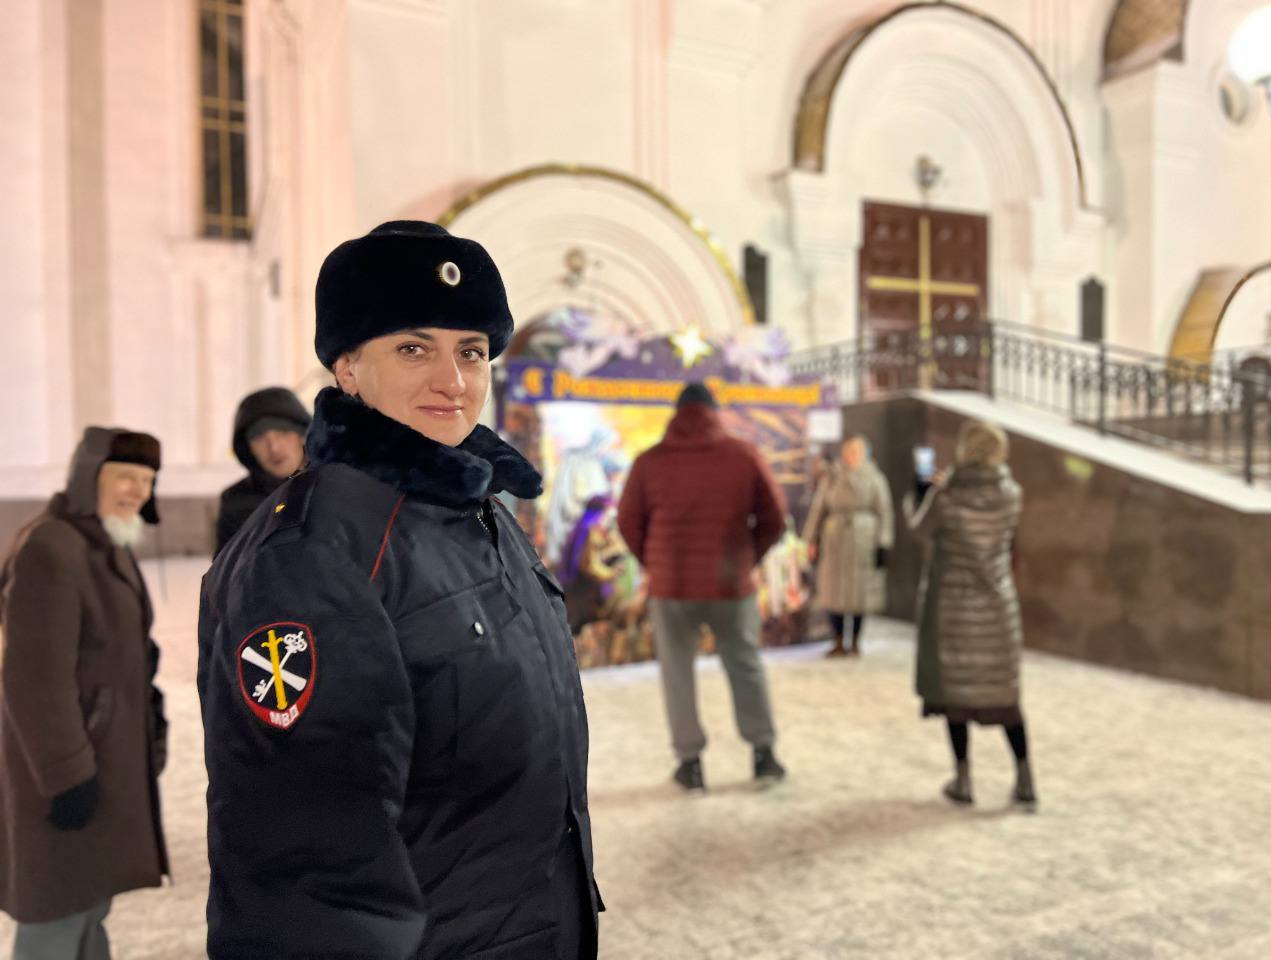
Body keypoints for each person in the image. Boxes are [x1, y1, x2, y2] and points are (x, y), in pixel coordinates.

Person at [198, 220, 602, 959]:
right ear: (348, 368)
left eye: (470, 351)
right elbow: (304, 860)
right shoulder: (314, 553)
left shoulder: (477, 508)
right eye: (414, 349)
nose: (453, 380)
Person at [0, 428, 169, 960]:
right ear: (87, 477)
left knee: (90, 903)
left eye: (147, 479)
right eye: (125, 476)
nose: (138, 490)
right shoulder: (52, 548)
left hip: (102, 756)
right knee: (56, 909)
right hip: (64, 769)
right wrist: (65, 774)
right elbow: (34, 677)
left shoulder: (104, 543)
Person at [617, 381, 788, 792]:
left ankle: (690, 763)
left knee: (677, 672)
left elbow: (627, 521)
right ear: (715, 412)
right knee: (745, 665)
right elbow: (775, 517)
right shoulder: (744, 455)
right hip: (731, 584)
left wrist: (654, 562)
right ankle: (763, 755)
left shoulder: (649, 462)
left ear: (676, 414)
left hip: (672, 586)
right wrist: (748, 557)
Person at [905, 419, 1036, 810]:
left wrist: (923, 492)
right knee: (1005, 695)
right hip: (998, 607)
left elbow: (919, 530)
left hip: (953, 608)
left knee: (955, 695)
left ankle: (963, 779)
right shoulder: (1012, 494)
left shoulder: (947, 496)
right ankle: (1025, 778)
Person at [802, 436, 893, 656]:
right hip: (835, 542)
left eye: (856, 451)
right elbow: (818, 510)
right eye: (849, 451)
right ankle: (838, 639)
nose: (852, 456)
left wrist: (884, 543)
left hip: (863, 541)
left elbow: (885, 511)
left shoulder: (875, 478)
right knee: (833, 592)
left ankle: (855, 640)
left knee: (859, 594)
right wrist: (811, 539)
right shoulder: (832, 477)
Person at [212, 386, 311, 555]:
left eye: (282, 433)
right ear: (248, 449)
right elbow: (226, 567)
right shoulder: (236, 503)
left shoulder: (333, 485)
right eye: (258, 438)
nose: (273, 448)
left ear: (302, 435)